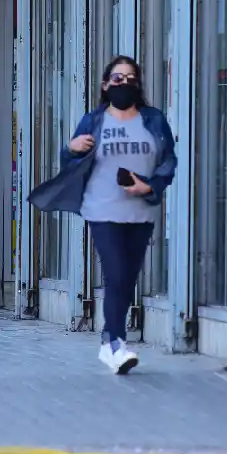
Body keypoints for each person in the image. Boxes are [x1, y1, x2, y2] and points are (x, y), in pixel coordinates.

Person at [63, 56, 176, 374]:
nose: (123, 83)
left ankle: (108, 340)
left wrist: (149, 186)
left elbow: (168, 160)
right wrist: (71, 148)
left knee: (127, 279)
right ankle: (115, 343)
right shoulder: (93, 121)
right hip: (102, 209)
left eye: (130, 78)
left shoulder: (153, 120)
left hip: (140, 211)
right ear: (105, 85)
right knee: (115, 274)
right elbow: (69, 163)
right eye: (117, 78)